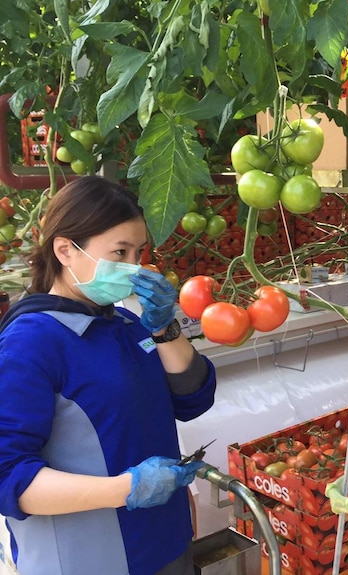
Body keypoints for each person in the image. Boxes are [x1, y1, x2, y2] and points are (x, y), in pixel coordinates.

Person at [0, 176, 217, 574]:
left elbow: (192, 398)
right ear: (65, 249)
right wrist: (125, 489)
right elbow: (7, 475)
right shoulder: (31, 341)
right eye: (120, 252)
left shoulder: (126, 324)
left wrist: (164, 328)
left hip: (163, 541)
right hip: (93, 557)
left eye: (138, 252)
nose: (134, 268)